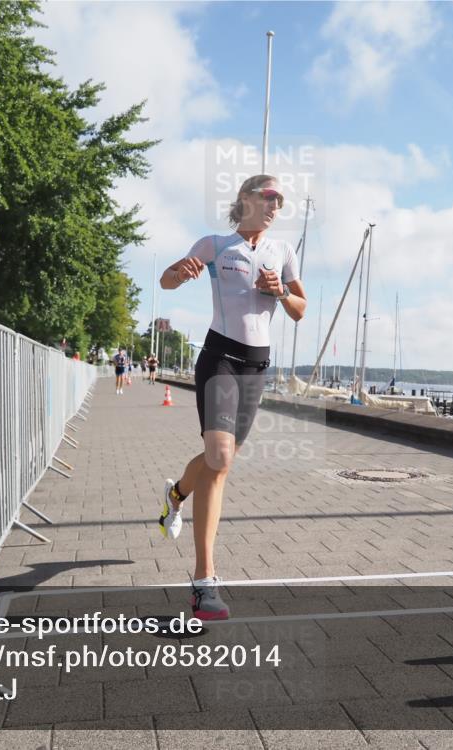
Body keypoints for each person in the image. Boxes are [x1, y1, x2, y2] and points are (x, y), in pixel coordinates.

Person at [157, 174, 306, 620]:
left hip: (256, 367)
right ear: (245, 199)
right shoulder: (216, 244)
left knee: (218, 460)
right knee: (220, 459)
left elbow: (300, 310)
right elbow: (167, 281)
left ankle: (176, 495)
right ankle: (204, 583)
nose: (276, 204)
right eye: (269, 196)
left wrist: (279, 291)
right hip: (219, 358)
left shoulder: (283, 251)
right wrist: (180, 273)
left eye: (280, 199)